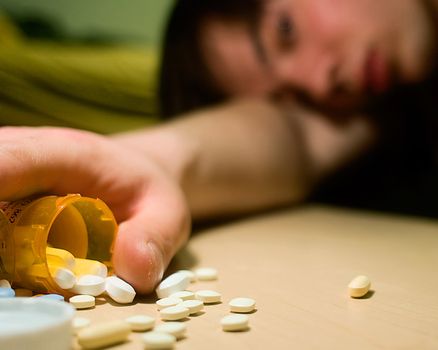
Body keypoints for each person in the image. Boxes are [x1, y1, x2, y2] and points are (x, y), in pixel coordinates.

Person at [1, 0, 437, 294]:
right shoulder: (385, 117)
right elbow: (292, 139)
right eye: (293, 99)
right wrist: (145, 161)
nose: (321, 84)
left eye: (285, 30)